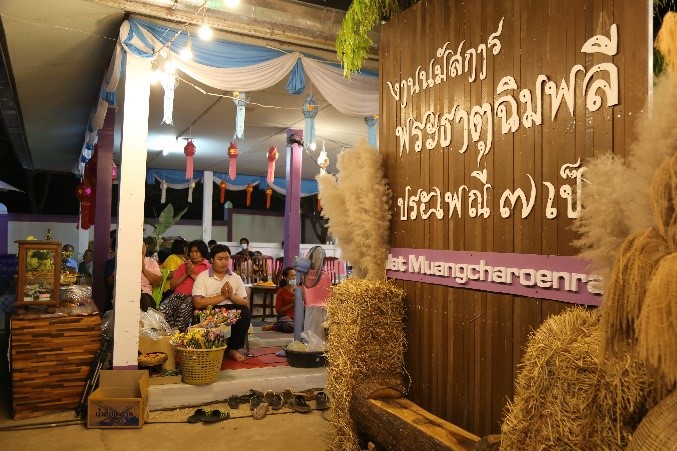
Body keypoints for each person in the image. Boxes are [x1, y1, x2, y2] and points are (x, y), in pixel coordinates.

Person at [192, 244, 251, 362]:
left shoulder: (235, 277)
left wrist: (231, 296)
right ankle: (211, 348)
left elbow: (245, 301)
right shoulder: (203, 277)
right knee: (202, 314)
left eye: (227, 259)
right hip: (211, 309)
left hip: (232, 309)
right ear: (212, 259)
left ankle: (233, 349)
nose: (224, 262)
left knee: (245, 312)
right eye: (220, 259)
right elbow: (198, 303)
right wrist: (222, 296)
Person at [160, 240, 210, 332]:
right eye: (191, 252)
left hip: (194, 297)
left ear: (202, 252)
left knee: (183, 309)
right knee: (163, 309)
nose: (194, 254)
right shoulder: (183, 266)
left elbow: (207, 286)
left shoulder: (207, 267)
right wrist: (186, 273)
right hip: (178, 295)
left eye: (197, 252)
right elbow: (172, 286)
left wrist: (192, 274)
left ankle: (180, 335)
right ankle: (172, 332)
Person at [262, 267, 296, 333]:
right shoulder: (281, 292)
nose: (294, 278)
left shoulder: (300, 290)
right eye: (291, 276)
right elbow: (278, 310)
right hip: (285, 317)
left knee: (306, 324)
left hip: (297, 316)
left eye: (295, 275)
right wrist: (292, 304)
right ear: (285, 278)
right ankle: (273, 326)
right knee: (291, 326)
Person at [140, 240, 163, 311]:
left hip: (145, 294)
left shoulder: (151, 262)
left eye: (143, 247)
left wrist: (143, 269)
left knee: (144, 299)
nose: (141, 249)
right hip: (130, 291)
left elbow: (158, 282)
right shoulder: (127, 262)